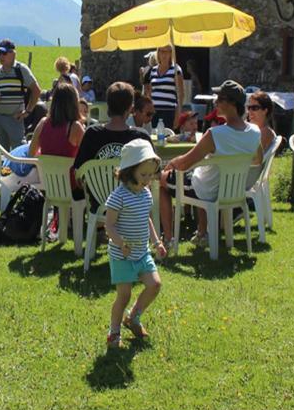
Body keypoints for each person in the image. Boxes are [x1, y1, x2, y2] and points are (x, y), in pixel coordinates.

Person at [159, 80, 262, 246]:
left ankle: (168, 239)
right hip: (232, 190)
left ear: (232, 103)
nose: (215, 102)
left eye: (220, 99)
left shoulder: (214, 134)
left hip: (208, 190)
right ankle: (202, 232)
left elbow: (185, 163)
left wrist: (171, 163)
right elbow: (258, 160)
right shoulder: (254, 132)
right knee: (202, 175)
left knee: (162, 180)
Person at [104, 139, 167, 348]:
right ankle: (114, 333)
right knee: (124, 295)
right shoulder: (118, 197)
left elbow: (146, 219)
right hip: (122, 254)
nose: (148, 179)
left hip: (141, 252)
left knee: (155, 284)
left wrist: (156, 242)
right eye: (143, 175)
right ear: (129, 172)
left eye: (151, 174)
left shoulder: (146, 193)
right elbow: (109, 226)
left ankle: (133, 317)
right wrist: (121, 243)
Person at [28, 82, 85, 200]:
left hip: (48, 185)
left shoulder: (43, 123)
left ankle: (59, 217)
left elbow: (31, 153)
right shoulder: (75, 127)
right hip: (71, 187)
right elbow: (88, 156)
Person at [0, 39, 40, 150]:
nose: (1, 56)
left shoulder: (20, 69)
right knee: (0, 155)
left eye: (4, 53)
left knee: (19, 151)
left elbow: (36, 90)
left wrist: (27, 112)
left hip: (15, 118)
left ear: (13, 54)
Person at [142, 45, 185, 129]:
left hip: (169, 111)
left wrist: (178, 114)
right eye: (162, 51)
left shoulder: (176, 70)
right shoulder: (153, 70)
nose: (165, 55)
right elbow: (150, 93)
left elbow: (181, 94)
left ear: (171, 54)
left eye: (168, 52)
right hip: (154, 112)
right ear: (158, 53)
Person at [245, 90, 278, 156]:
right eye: (249, 108)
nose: (250, 112)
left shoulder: (265, 132)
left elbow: (252, 159)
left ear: (265, 111)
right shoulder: (257, 130)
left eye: (254, 108)